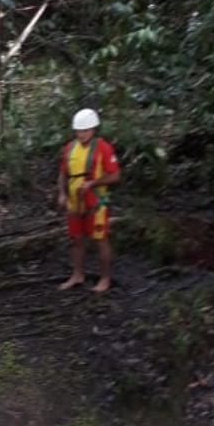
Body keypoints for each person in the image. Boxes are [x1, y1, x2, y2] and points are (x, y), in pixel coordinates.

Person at [57, 108, 121, 293]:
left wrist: (93, 183)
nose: (82, 134)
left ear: (93, 129)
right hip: (74, 203)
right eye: (78, 131)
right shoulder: (69, 148)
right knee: (76, 239)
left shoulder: (103, 147)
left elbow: (115, 175)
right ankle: (77, 274)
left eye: (85, 131)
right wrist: (61, 193)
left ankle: (105, 278)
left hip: (95, 203)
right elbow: (63, 173)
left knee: (100, 239)